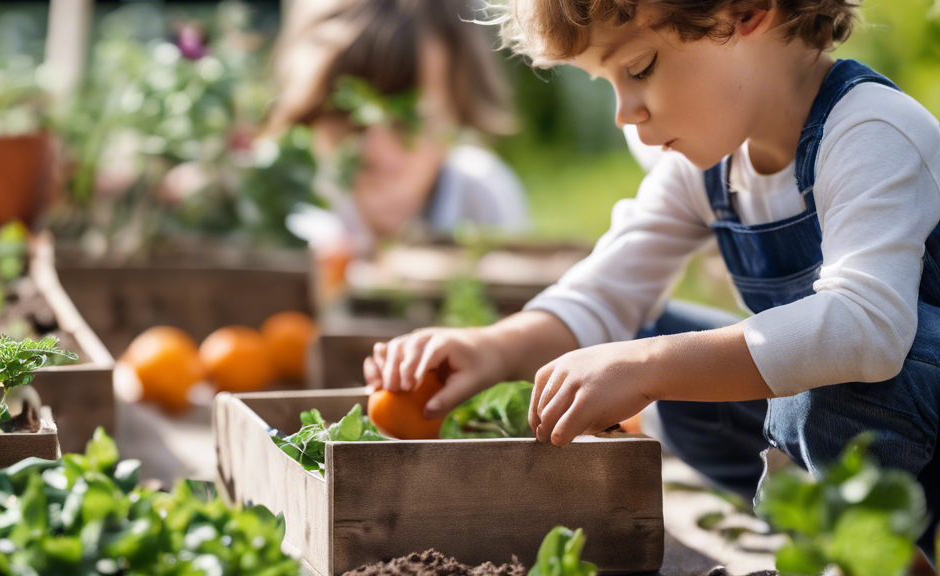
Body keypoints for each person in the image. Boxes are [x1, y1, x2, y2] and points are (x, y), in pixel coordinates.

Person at [365, 0, 940, 563]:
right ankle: (800, 512)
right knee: (650, 341)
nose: (623, 112)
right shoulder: (707, 168)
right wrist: (489, 349)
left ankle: (880, 551)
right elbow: (608, 292)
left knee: (780, 392)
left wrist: (650, 366)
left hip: (911, 415)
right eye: (608, 83)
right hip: (842, 423)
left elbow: (865, 330)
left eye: (639, 68)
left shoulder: (870, 130)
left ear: (745, 13)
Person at [265, 0, 530, 250]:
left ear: (459, 108)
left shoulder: (480, 198)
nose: (375, 149)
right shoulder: (279, 201)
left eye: (407, 120)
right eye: (346, 112)